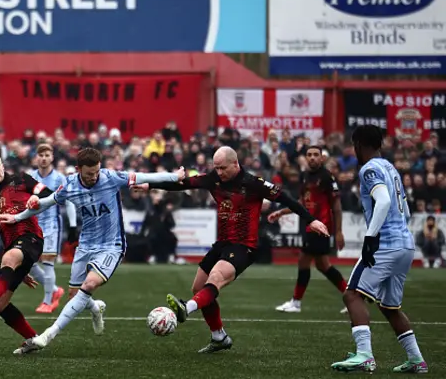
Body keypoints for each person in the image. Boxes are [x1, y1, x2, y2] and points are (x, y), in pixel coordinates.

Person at [136, 146, 329, 353]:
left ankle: (186, 308)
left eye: (222, 168)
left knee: (215, 278)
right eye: (216, 168)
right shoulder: (213, 179)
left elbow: (287, 199)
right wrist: (149, 185)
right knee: (198, 288)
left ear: (236, 164)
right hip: (222, 244)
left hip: (244, 246)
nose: (219, 173)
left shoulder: (254, 184)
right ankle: (219, 337)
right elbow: (183, 184)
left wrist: (313, 221)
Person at [0, 147, 184, 354]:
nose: (94, 177)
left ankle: (48, 335)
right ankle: (96, 308)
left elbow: (146, 177)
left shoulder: (111, 178)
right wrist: (17, 217)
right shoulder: (69, 185)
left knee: (90, 284)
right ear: (78, 170)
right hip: (85, 245)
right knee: (75, 294)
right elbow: (46, 203)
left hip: (112, 245)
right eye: (88, 174)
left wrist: (175, 176)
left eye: (96, 172)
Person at [331, 125, 427, 373]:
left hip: (386, 243)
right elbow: (404, 209)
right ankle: (416, 359)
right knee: (389, 306)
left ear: (359, 144)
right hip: (405, 244)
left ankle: (364, 355)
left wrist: (371, 236)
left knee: (351, 295)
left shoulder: (369, 168)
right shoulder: (390, 167)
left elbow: (383, 201)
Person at [0, 147, 51, 345]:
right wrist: (17, 268)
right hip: (13, 251)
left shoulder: (21, 179)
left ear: (2, 164)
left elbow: (48, 195)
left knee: (1, 281)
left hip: (30, 237)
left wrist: (37, 198)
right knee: (0, 306)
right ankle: (33, 339)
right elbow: (3, 234)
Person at [269, 146, 348, 314]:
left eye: (315, 155)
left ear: (322, 158)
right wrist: (281, 212)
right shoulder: (305, 176)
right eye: (309, 155)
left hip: (320, 226)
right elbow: (301, 202)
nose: (312, 158)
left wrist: (339, 231)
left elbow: (337, 205)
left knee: (304, 260)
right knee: (323, 265)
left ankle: (296, 303)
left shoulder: (327, 177)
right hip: (310, 225)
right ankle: (351, 296)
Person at [28, 144, 77, 313]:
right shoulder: (30, 177)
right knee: (28, 264)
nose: (43, 158)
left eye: (47, 155)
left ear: (52, 158)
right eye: (40, 155)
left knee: (48, 262)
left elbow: (69, 201)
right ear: (36, 157)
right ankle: (55, 290)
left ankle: (48, 301)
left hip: (51, 225)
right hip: (32, 225)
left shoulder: (59, 178)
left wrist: (73, 225)